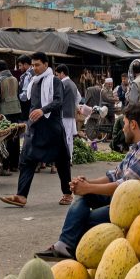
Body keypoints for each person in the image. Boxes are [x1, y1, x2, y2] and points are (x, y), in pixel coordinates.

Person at [36, 103, 140, 260]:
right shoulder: (138, 147)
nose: (123, 128)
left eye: (125, 123)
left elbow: (123, 187)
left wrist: (89, 187)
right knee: (85, 198)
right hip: (126, 199)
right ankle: (64, 245)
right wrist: (87, 184)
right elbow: (115, 175)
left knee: (86, 219)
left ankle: (71, 248)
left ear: (133, 125)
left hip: (136, 210)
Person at [0, 52, 71, 208]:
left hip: (52, 128)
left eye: (37, 65)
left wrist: (43, 110)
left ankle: (67, 193)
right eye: (32, 65)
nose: (34, 68)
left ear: (46, 65)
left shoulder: (54, 81)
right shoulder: (33, 81)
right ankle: (21, 196)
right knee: (26, 160)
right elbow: (29, 103)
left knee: (61, 161)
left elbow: (59, 101)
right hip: (35, 128)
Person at [55, 65, 81, 198]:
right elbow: (78, 98)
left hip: (63, 115)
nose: (57, 76)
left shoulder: (62, 84)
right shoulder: (73, 84)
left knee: (64, 139)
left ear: (62, 73)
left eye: (57, 74)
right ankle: (69, 158)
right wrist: (75, 107)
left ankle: (65, 159)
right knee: (69, 138)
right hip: (71, 114)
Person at [17, 55, 34, 120]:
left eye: (20, 65)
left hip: (27, 105)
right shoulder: (33, 73)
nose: (19, 68)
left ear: (26, 64)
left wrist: (18, 98)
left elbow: (25, 95)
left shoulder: (28, 75)